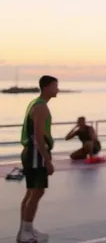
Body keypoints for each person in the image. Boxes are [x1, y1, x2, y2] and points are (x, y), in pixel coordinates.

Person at [17, 75, 58, 243]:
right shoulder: (41, 108)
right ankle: (25, 231)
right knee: (37, 191)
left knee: (31, 192)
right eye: (55, 86)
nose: (57, 89)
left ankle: (26, 229)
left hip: (32, 152)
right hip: (36, 154)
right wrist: (47, 160)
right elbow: (38, 135)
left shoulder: (35, 104)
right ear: (46, 87)